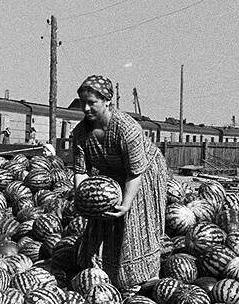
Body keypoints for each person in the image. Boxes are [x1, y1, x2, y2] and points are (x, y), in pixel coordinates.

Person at [71, 75, 170, 289]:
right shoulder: (80, 133)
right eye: (83, 103)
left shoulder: (126, 128)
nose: (86, 108)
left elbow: (135, 173)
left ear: (107, 100)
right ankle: (104, 272)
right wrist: (83, 201)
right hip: (113, 173)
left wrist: (126, 204)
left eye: (92, 103)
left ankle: (145, 278)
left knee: (135, 222)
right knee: (101, 220)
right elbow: (80, 172)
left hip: (145, 172)